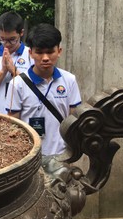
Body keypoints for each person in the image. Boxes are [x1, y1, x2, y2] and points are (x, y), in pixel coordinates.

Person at [5, 23, 81, 156]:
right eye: (39, 52)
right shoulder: (17, 84)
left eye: (50, 52)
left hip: (62, 155)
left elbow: (74, 119)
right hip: (30, 156)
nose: (45, 58)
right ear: (31, 53)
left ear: (59, 51)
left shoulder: (69, 80)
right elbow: (13, 126)